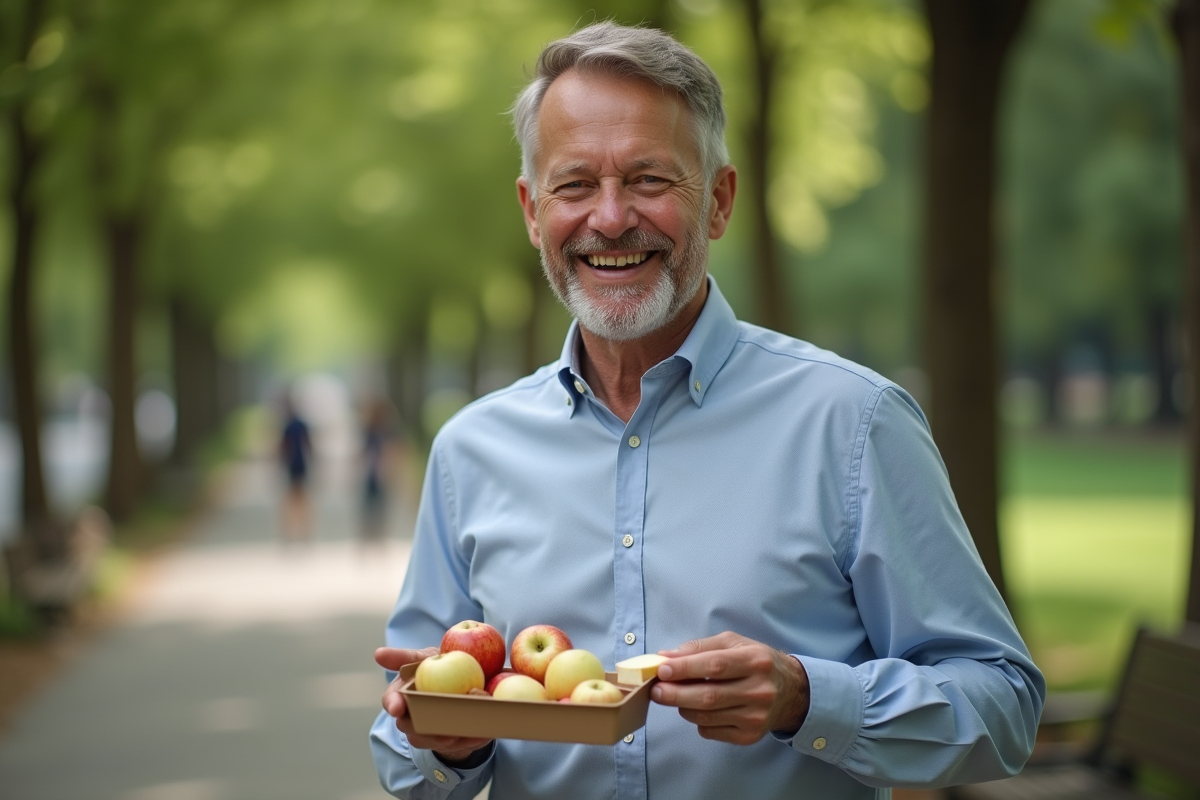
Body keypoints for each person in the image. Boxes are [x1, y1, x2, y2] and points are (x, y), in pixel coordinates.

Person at [370, 22, 1044, 800]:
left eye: (651, 180)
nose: (612, 217)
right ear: (532, 210)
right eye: (575, 184)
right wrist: (444, 746)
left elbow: (1005, 707)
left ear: (719, 201)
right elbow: (404, 754)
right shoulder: (471, 450)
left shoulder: (852, 423)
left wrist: (806, 698)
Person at [278, 392, 313, 543]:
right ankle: (301, 530)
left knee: (294, 499)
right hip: (299, 465)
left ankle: (294, 530)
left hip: (294, 465)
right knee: (300, 499)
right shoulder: (300, 425)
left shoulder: (289, 425)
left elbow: (283, 448)